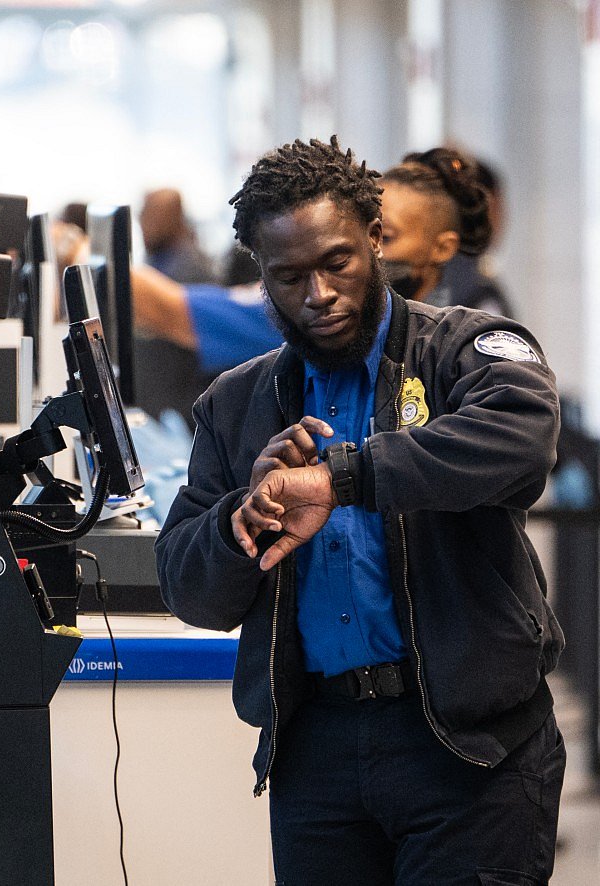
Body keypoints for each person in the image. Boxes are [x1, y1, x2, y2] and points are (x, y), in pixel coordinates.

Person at [155, 136, 564, 885]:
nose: (318, 294)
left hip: (467, 748)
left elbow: (522, 442)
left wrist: (339, 478)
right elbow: (190, 588)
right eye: (289, 276)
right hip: (317, 754)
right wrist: (240, 519)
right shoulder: (236, 404)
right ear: (262, 277)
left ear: (376, 239)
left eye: (336, 262)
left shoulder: (464, 348)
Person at [380, 146, 511, 316]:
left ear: (443, 248)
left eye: (385, 237)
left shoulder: (473, 315)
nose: (371, 249)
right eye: (366, 233)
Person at [138, 187, 217, 284]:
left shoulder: (187, 264)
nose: (143, 223)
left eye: (150, 216)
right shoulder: (157, 254)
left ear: (170, 220)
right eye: (142, 214)